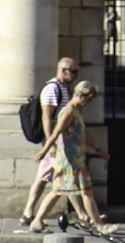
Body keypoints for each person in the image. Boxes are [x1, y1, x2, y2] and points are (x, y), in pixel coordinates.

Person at [30, 80, 116, 234]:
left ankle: (37, 221)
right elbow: (56, 132)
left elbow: (84, 134)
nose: (88, 103)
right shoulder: (69, 111)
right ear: (81, 95)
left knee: (61, 191)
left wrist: (98, 149)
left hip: (76, 160)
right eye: (88, 99)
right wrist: (44, 152)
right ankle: (99, 226)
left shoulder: (77, 110)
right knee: (84, 192)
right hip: (69, 161)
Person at [18, 57, 86, 226]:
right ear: (64, 71)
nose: (76, 75)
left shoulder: (62, 88)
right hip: (55, 141)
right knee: (65, 177)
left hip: (60, 140)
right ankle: (83, 215)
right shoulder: (52, 89)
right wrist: (51, 144)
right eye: (74, 71)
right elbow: (46, 117)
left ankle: (28, 214)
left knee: (44, 177)